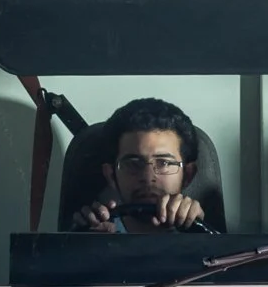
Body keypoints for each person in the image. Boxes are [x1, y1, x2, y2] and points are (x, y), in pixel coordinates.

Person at [75, 98, 214, 234]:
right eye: (133, 164)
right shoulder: (95, 233)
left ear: (187, 175)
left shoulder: (202, 236)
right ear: (111, 175)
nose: (148, 177)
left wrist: (201, 238)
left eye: (164, 163)